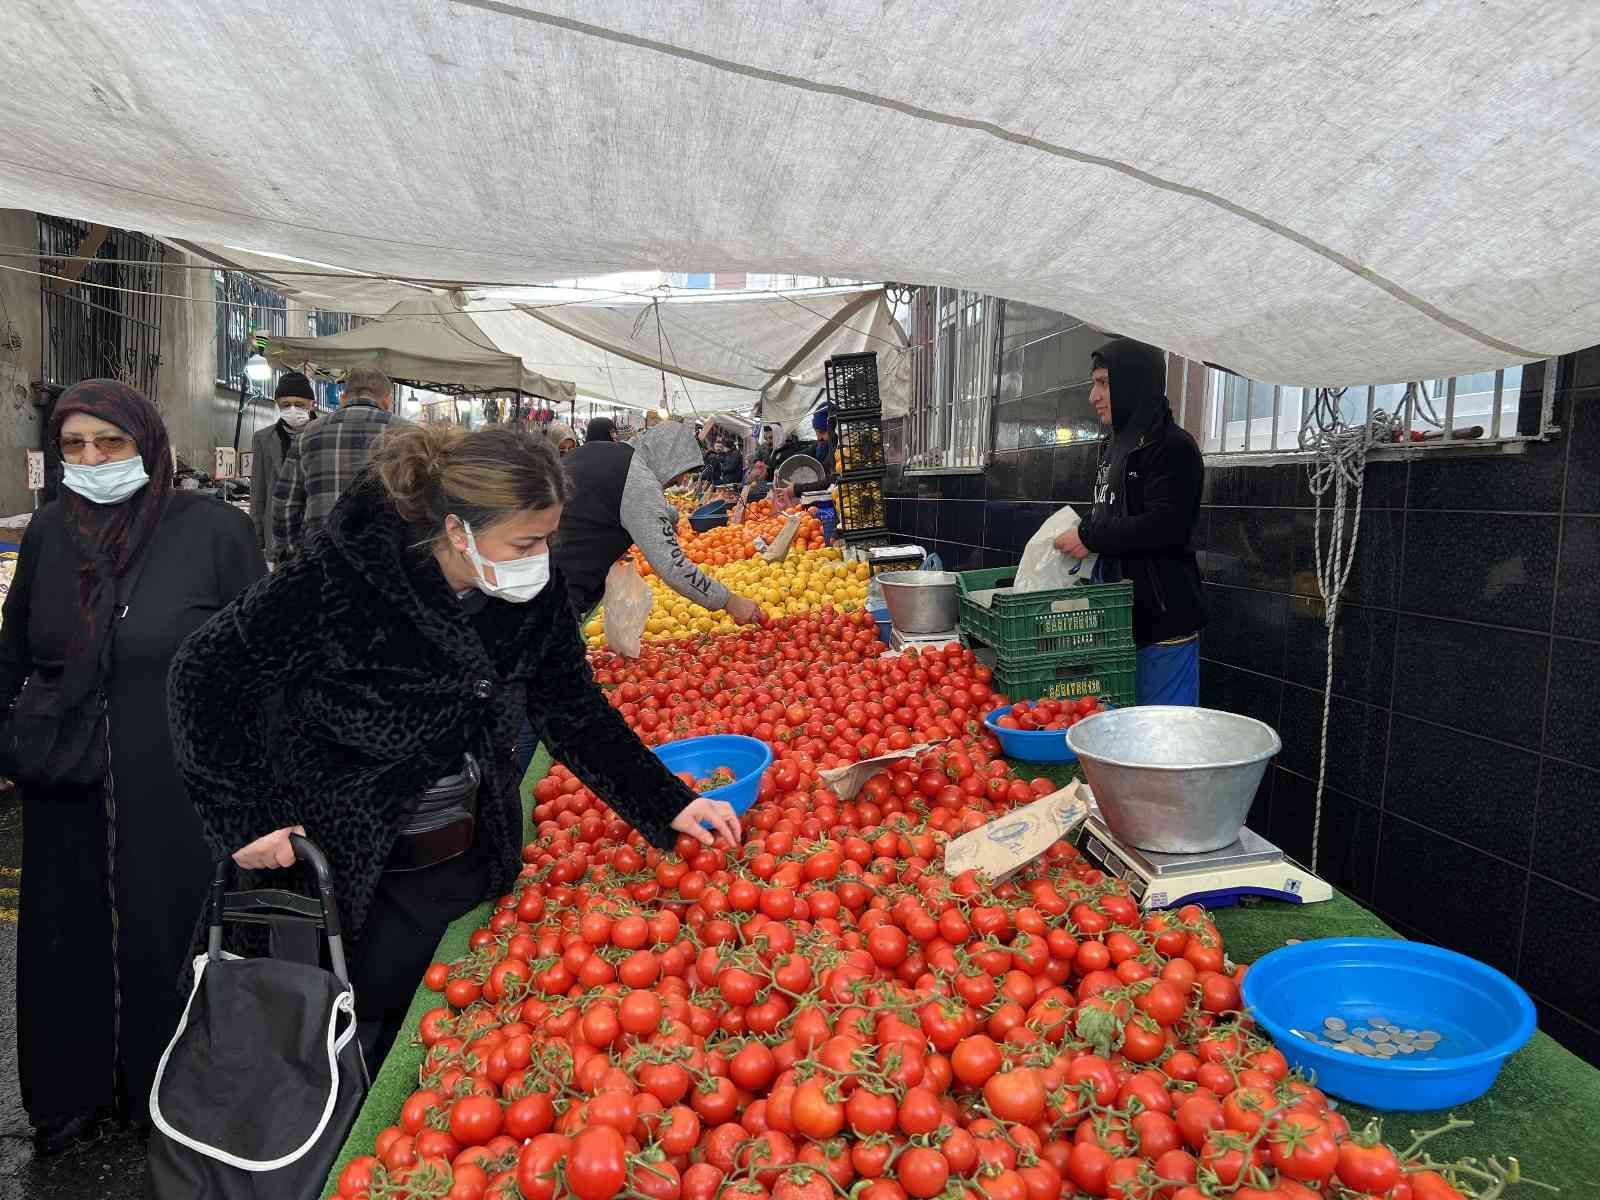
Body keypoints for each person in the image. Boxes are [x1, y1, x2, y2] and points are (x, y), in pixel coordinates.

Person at [167, 424, 739, 1064]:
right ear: (456, 529)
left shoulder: (529, 593)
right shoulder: (340, 579)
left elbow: (572, 707)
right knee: (337, 1038)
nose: (542, 557)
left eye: (549, 538)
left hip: (464, 849)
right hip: (355, 865)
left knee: (436, 1029)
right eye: (526, 541)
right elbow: (204, 673)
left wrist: (665, 802)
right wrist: (247, 815)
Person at [0, 381, 264, 1156]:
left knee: (165, 937)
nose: (91, 459)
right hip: (65, 785)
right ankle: (69, 1102)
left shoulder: (214, 532)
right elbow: (13, 653)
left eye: (109, 443)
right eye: (74, 445)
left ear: (148, 445)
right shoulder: (50, 532)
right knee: (63, 944)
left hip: (173, 785)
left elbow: (257, 669)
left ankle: (166, 1099)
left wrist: (258, 792)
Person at [1054, 338, 1206, 704]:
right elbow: (1115, 514)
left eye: (1104, 383)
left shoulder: (1173, 448)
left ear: (1133, 382)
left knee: (1162, 740)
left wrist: (1089, 535)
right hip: (1121, 625)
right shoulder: (1117, 445)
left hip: (1162, 627)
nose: (1093, 396)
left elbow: (1165, 526)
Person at [272, 365, 397, 558]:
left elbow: (285, 503)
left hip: (321, 560)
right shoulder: (410, 435)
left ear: (342, 398)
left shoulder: (307, 435)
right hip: (388, 561)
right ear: (388, 399)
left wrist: (291, 554)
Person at [249, 371, 316, 565]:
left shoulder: (325, 435)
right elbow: (258, 490)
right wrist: (258, 538)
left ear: (312, 404)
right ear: (278, 405)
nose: (292, 409)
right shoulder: (263, 439)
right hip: (279, 536)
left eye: (300, 404)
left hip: (315, 532)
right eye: (286, 404)